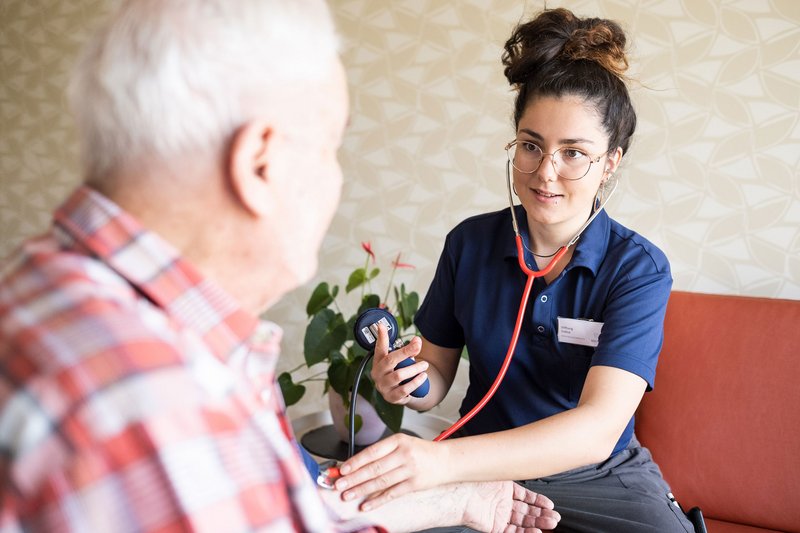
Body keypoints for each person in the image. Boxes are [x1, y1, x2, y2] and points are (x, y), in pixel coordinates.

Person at [0, 1, 563, 532]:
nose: (335, 180)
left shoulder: (48, 291)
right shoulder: (155, 397)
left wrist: (453, 498)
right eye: (329, 149)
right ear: (260, 165)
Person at [334, 8, 696, 533]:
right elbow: (435, 377)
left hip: (594, 473)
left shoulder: (637, 270)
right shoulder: (469, 244)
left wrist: (438, 463)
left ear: (611, 161)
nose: (545, 172)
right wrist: (406, 381)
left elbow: (597, 429)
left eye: (574, 153)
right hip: (479, 463)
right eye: (531, 146)